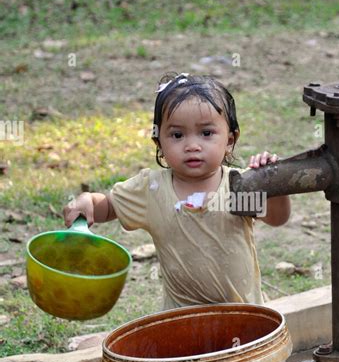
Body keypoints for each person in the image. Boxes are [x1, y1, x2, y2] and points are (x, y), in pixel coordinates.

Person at [63, 73, 291, 310]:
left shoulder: (239, 184)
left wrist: (272, 184)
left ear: (230, 140)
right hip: (181, 320)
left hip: (245, 315)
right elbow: (110, 206)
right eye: (177, 135)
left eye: (206, 133)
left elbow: (277, 218)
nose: (192, 145)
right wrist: (88, 201)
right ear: (159, 143)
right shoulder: (151, 189)